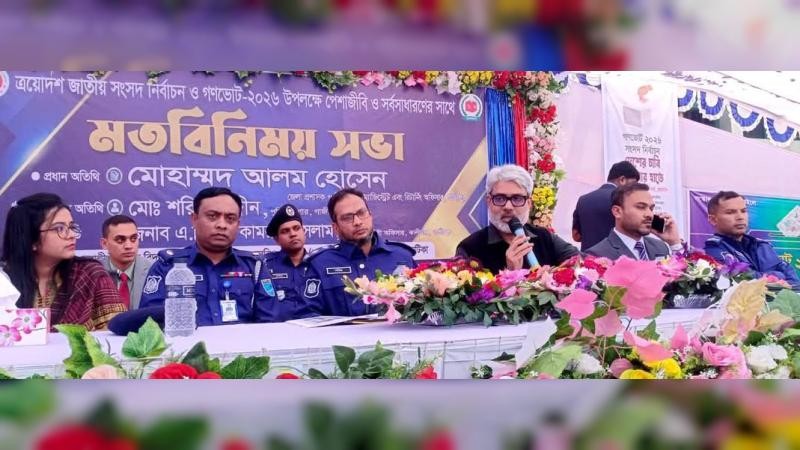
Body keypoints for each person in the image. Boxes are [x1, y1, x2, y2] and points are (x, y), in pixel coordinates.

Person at [1, 193, 125, 330]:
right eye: (59, 228)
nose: (72, 235)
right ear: (31, 239)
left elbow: (117, 334)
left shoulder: (91, 274)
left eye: (71, 227)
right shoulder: (4, 282)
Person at [138, 187, 260, 326]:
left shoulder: (253, 267)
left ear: (238, 224)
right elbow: (150, 322)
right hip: (187, 340)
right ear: (194, 219)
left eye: (230, 219)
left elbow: (269, 321)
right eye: (212, 216)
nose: (222, 225)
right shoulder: (168, 266)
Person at [308, 188, 416, 316]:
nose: (357, 222)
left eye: (361, 213)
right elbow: (309, 315)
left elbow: (419, 307)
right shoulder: (320, 264)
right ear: (335, 228)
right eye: (347, 218)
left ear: (370, 215)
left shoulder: (402, 256)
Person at [455, 164, 578, 273]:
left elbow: (580, 261)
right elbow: (462, 289)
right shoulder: (470, 247)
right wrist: (510, 275)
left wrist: (551, 275)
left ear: (529, 203)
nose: (508, 207)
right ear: (489, 201)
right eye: (500, 198)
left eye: (517, 199)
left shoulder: (544, 237)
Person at [704, 191, 800, 288]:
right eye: (730, 212)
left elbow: (794, 281)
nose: (740, 217)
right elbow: (745, 280)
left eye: (743, 211)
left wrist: (769, 279)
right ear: (713, 220)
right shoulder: (712, 251)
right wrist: (779, 276)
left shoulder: (762, 246)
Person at [255, 204, 321, 322]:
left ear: (304, 231)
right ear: (277, 239)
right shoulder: (264, 266)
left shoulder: (319, 263)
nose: (293, 234)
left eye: (296, 228)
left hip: (316, 329)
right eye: (285, 231)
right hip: (278, 329)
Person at [586, 183, 683, 261]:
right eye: (641, 207)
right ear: (617, 211)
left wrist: (674, 243)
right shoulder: (598, 255)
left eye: (651, 208)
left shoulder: (661, 248)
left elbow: (681, 279)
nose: (650, 214)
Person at [572, 160, 640, 251]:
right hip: (617, 257)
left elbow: (576, 236)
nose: (634, 189)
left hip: (588, 258)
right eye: (633, 184)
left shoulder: (583, 200)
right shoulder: (625, 200)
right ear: (622, 180)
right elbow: (635, 231)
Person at [99, 215, 153, 310]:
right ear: (104, 244)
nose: (129, 246)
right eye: (120, 240)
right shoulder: (93, 275)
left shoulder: (153, 271)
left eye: (133, 239)